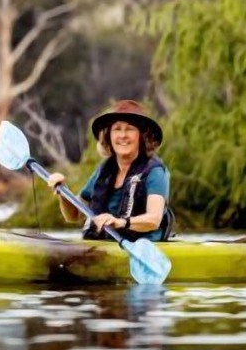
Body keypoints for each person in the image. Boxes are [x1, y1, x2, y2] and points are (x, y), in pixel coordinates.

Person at [44, 99, 173, 242]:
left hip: (143, 248)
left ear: (141, 137)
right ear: (109, 136)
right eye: (117, 129)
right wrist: (63, 192)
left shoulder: (155, 172)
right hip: (104, 247)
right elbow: (73, 216)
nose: (123, 135)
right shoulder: (103, 172)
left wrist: (120, 222)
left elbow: (154, 219)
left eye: (130, 129)